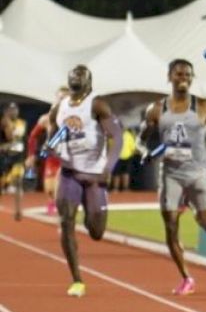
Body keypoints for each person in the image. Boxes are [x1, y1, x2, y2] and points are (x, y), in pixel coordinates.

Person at [26, 66, 124, 297]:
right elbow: (58, 134)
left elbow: (117, 137)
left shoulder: (97, 104)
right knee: (66, 222)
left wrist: (108, 167)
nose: (76, 79)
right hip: (69, 173)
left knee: (96, 231)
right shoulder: (58, 109)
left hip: (94, 175)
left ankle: (92, 213)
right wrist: (51, 145)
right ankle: (77, 279)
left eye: (81, 76)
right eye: (73, 76)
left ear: (89, 81)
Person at [141, 59, 206, 295]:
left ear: (192, 79)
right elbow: (142, 140)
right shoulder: (156, 109)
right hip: (170, 175)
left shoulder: (203, 106)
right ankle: (186, 277)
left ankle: (191, 204)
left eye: (187, 74)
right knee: (171, 227)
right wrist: (146, 154)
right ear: (169, 77)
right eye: (178, 73)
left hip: (197, 173)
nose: (183, 77)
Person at [26, 86, 70, 215]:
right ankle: (53, 203)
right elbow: (32, 137)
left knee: (60, 187)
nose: (62, 101)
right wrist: (31, 155)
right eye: (60, 98)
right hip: (51, 158)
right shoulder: (45, 119)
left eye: (65, 99)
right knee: (49, 189)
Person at [1, 102, 27, 219]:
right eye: (11, 109)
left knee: (18, 181)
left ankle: (18, 210)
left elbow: (24, 140)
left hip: (18, 157)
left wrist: (28, 156)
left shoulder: (23, 123)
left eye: (15, 109)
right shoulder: (3, 123)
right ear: (6, 111)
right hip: (4, 157)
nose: (14, 111)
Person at [108, 126, 138, 192]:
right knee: (123, 173)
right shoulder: (128, 135)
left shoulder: (114, 135)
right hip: (124, 157)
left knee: (119, 174)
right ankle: (123, 189)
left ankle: (117, 188)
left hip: (120, 157)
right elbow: (133, 147)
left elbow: (110, 145)